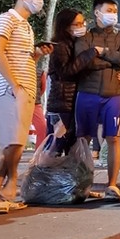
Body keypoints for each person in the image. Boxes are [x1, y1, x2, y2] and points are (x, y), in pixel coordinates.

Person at [0, 0, 53, 214]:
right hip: (11, 89)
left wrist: (37, 53)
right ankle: (0, 189)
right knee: (11, 142)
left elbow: (22, 58)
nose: (39, 0)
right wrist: (14, 84)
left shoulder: (27, 27)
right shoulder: (6, 19)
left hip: (26, 89)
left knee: (17, 144)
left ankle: (2, 191)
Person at [74, 0, 120, 201]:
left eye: (115, 10)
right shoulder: (85, 36)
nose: (113, 14)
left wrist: (102, 52)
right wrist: (113, 63)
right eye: (109, 10)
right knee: (84, 139)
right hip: (87, 93)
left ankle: (112, 185)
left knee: (114, 138)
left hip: (113, 95)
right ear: (97, 12)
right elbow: (83, 61)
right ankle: (83, 185)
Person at [45, 8, 98, 155]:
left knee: (69, 142)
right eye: (77, 23)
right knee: (58, 144)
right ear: (66, 25)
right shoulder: (61, 45)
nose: (82, 26)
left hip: (72, 99)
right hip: (64, 101)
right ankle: (46, 173)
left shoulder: (74, 43)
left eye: (83, 23)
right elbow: (65, 71)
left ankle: (62, 173)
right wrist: (90, 53)